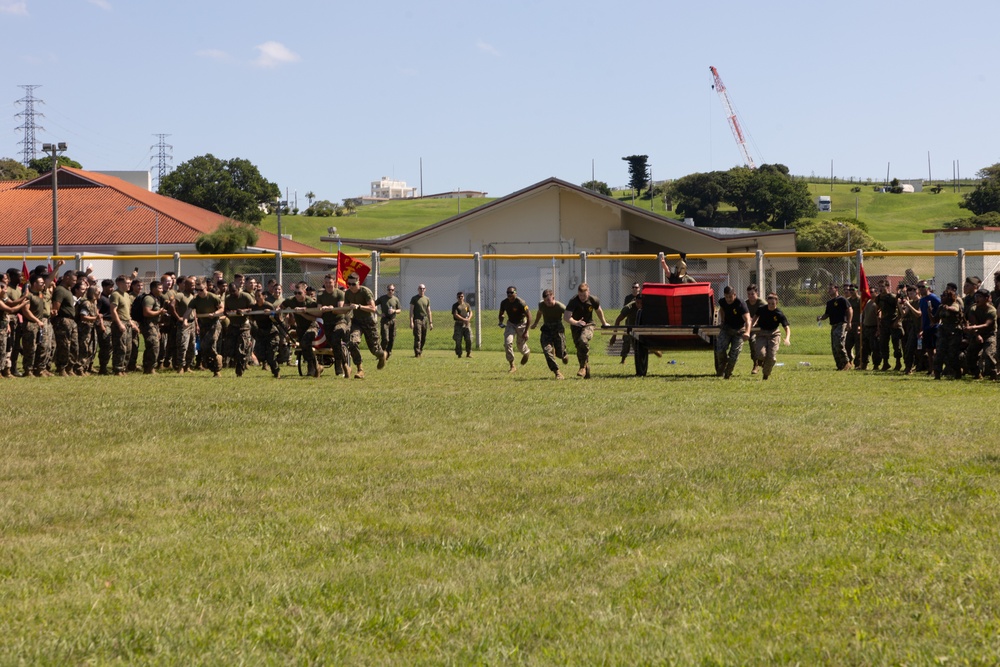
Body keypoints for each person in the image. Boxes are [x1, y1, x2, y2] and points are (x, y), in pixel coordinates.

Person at [343, 272, 388, 379]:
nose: (351, 286)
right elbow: (345, 307)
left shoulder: (365, 292)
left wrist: (359, 306)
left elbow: (373, 308)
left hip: (368, 322)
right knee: (352, 343)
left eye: (353, 284)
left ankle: (382, 355)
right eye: (349, 284)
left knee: (375, 350)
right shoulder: (348, 293)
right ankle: (360, 369)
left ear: (359, 282)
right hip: (356, 322)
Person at [564, 282, 609, 379]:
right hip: (576, 326)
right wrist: (576, 322)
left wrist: (604, 323)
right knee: (579, 348)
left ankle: (582, 367)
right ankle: (586, 368)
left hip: (589, 324)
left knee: (583, 340)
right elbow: (566, 317)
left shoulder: (593, 300)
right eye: (580, 295)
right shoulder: (573, 301)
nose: (582, 298)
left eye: (584, 295)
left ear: (588, 292)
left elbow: (598, 311)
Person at [281, 281, 322, 377]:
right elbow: (282, 306)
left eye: (299, 293)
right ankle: (314, 367)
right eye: (295, 293)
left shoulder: (310, 302)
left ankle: (313, 367)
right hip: (300, 328)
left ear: (304, 292)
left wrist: (303, 312)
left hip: (312, 326)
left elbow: (317, 317)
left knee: (305, 343)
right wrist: (279, 310)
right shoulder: (291, 300)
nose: (297, 295)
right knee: (303, 348)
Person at [315, 273, 350, 378]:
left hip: (339, 322)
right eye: (326, 283)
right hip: (327, 323)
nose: (328, 284)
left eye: (330, 282)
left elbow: (340, 309)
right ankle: (342, 365)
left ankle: (341, 367)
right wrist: (321, 308)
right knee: (334, 345)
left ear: (334, 282)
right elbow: (319, 310)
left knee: (335, 339)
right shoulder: (321, 295)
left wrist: (331, 308)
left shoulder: (339, 293)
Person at [751, 292, 791, 380]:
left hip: (774, 334)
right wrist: (752, 326)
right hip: (761, 333)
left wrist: (787, 338)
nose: (770, 305)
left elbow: (786, 328)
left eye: (773, 304)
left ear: (776, 303)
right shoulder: (762, 309)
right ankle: (761, 361)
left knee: (772, 357)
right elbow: (755, 317)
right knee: (760, 354)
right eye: (769, 303)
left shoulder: (779, 313)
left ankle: (765, 375)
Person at [714, 285, 751, 379]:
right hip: (726, 328)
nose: (728, 299)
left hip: (739, 330)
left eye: (730, 297)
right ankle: (722, 365)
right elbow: (721, 309)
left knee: (734, 355)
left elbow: (748, 320)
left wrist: (747, 332)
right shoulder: (722, 301)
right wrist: (722, 321)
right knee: (720, 350)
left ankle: (727, 373)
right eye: (726, 297)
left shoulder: (740, 303)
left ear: (734, 295)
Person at [531, 288, 568, 379]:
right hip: (547, 330)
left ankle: (563, 355)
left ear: (553, 297)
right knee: (547, 351)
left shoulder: (560, 306)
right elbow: (539, 313)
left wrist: (576, 322)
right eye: (545, 301)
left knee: (560, 353)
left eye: (548, 300)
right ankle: (557, 372)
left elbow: (569, 315)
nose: (547, 302)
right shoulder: (542, 305)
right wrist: (535, 323)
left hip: (558, 330)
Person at [191, 279, 225, 377]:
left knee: (210, 343)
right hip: (203, 325)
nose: (199, 292)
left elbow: (222, 308)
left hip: (214, 324)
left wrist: (214, 314)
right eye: (196, 290)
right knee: (204, 347)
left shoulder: (213, 297)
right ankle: (216, 362)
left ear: (206, 288)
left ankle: (217, 370)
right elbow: (190, 311)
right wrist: (185, 320)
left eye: (201, 290)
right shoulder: (195, 299)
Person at [817, 283, 853, 371]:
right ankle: (840, 366)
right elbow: (827, 314)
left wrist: (849, 322)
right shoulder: (829, 303)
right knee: (834, 347)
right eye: (828, 289)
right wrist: (821, 317)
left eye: (830, 288)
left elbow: (850, 309)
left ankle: (846, 362)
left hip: (841, 324)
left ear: (836, 289)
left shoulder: (842, 299)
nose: (828, 290)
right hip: (834, 326)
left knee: (839, 344)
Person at [50, 270, 80, 376]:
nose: (75, 282)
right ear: (67, 277)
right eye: (73, 280)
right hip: (63, 320)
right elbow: (55, 307)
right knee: (64, 345)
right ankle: (61, 368)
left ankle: (70, 368)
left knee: (74, 346)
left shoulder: (68, 290)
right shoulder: (60, 290)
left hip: (72, 321)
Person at [223, 280, 255, 377]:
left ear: (238, 289)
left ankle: (240, 370)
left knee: (241, 349)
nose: (233, 293)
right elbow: (226, 309)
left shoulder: (245, 296)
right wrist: (227, 312)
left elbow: (253, 308)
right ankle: (235, 363)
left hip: (243, 326)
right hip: (233, 325)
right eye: (231, 291)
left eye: (234, 291)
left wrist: (243, 311)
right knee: (230, 349)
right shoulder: (228, 298)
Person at [964, 288, 997, 380]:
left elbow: (987, 324)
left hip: (990, 334)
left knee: (988, 354)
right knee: (970, 355)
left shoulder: (992, 310)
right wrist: (977, 335)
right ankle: (977, 374)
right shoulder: (973, 308)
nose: (977, 299)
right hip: (977, 333)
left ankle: (993, 374)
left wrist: (973, 328)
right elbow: (973, 322)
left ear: (987, 298)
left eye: (980, 297)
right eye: (976, 296)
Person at [933, 285, 964, 380]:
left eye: (944, 296)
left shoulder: (955, 304)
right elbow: (935, 320)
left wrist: (948, 308)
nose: (942, 297)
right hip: (943, 331)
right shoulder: (941, 307)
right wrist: (930, 313)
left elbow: (956, 309)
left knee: (952, 354)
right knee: (939, 353)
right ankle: (937, 374)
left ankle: (957, 373)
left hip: (954, 332)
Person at [498, 285, 531, 373]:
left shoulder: (521, 302)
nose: (509, 295)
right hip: (511, 324)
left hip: (521, 324)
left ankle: (526, 352)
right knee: (508, 343)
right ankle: (512, 365)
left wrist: (526, 331)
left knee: (520, 346)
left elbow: (529, 317)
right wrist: (501, 320)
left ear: (515, 293)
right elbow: (501, 313)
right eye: (507, 293)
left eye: (511, 293)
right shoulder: (504, 303)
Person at [108, 275, 136, 377]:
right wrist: (119, 323)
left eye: (129, 283)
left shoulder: (126, 295)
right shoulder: (115, 295)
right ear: (119, 283)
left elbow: (127, 310)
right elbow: (113, 310)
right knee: (120, 347)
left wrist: (130, 321)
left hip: (127, 322)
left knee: (128, 348)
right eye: (127, 283)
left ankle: (124, 368)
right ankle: (118, 369)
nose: (129, 285)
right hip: (119, 323)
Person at [140, 280, 167, 374]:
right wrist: (160, 312)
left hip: (154, 325)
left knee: (153, 346)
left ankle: (148, 367)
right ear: (153, 289)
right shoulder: (149, 299)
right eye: (159, 288)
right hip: (148, 325)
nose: (161, 290)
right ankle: (150, 368)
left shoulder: (156, 298)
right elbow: (146, 312)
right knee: (153, 346)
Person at [874, 279, 901, 371]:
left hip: (893, 322)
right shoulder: (878, 298)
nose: (880, 288)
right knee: (883, 343)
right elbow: (877, 310)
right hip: (884, 323)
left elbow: (900, 311)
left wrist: (897, 321)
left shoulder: (893, 297)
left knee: (896, 344)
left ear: (887, 286)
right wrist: (879, 324)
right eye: (879, 286)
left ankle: (898, 362)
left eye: (882, 286)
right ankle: (885, 363)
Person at [917, 281, 941, 375]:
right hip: (926, 327)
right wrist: (921, 328)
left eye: (923, 286)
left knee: (934, 350)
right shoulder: (922, 300)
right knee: (929, 350)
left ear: (928, 287)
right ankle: (930, 369)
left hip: (934, 327)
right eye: (920, 287)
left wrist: (937, 321)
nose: (921, 288)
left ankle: (936, 369)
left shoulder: (933, 298)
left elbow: (941, 308)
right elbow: (923, 315)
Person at [375, 284, 402, 358]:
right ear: (387, 290)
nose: (390, 291)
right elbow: (373, 305)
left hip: (393, 320)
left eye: (392, 290)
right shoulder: (382, 298)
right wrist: (379, 314)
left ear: (394, 290)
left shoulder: (396, 299)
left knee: (392, 338)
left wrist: (394, 311)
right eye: (389, 290)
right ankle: (381, 353)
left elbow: (399, 310)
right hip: (385, 320)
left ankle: (388, 353)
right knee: (385, 339)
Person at [617, 282, 641, 363]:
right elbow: (622, 313)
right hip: (630, 322)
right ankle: (623, 359)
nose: (634, 289)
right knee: (626, 341)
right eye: (633, 287)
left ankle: (639, 358)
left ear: (639, 289)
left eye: (636, 287)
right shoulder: (629, 299)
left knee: (637, 342)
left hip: (639, 324)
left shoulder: (642, 298)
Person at [745, 284, 765, 374]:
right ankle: (755, 364)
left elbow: (768, 313)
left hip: (762, 327)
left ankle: (762, 360)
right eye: (749, 294)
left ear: (757, 293)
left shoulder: (762, 303)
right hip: (751, 327)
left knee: (762, 345)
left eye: (752, 294)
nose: (750, 296)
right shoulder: (745, 303)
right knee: (752, 341)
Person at [409, 284, 433, 357]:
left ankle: (420, 350)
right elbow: (411, 310)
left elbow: (429, 311)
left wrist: (430, 322)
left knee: (423, 337)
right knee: (418, 337)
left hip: (424, 319)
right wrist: (411, 321)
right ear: (418, 289)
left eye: (423, 288)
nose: (422, 290)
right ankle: (417, 353)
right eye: (420, 288)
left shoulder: (427, 299)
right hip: (417, 319)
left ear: (425, 289)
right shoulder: (414, 298)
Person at [451, 291, 473, 358]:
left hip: (466, 324)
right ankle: (459, 353)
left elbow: (470, 312)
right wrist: (463, 319)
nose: (460, 298)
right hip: (458, 324)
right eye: (459, 297)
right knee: (458, 339)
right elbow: (455, 314)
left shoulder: (466, 305)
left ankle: (468, 353)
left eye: (462, 296)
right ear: (457, 297)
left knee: (469, 338)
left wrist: (468, 319)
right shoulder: (455, 305)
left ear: (463, 297)